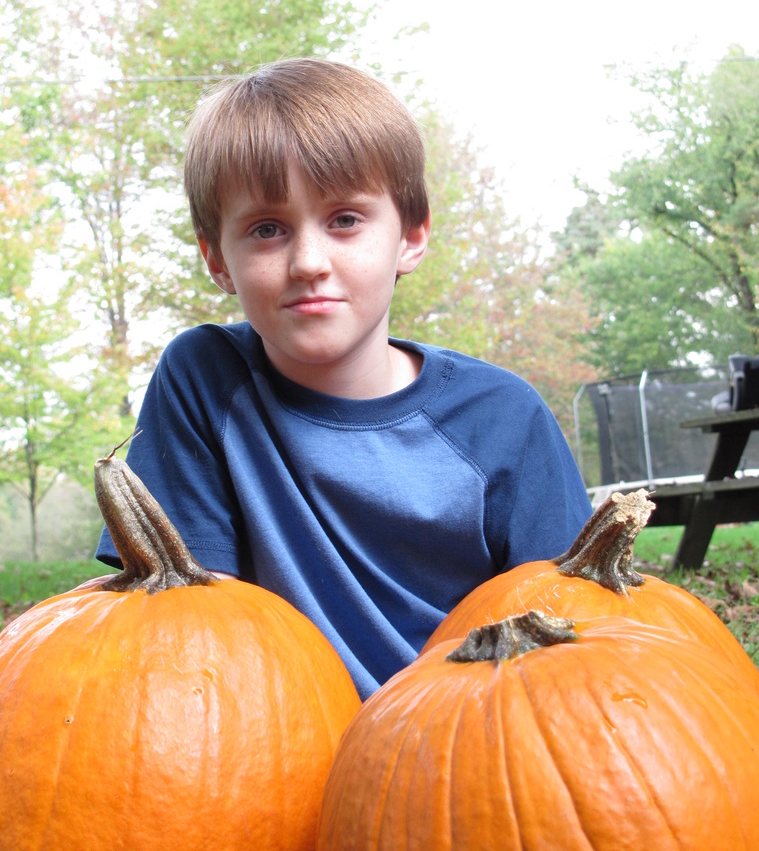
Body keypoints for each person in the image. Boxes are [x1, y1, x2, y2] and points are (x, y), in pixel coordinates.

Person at [96, 58, 593, 699]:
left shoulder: (502, 419)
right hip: (266, 743)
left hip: (461, 752)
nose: (308, 262)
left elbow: (571, 644)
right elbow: (185, 627)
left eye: (345, 221)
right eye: (267, 230)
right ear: (218, 259)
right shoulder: (205, 380)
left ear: (410, 237)